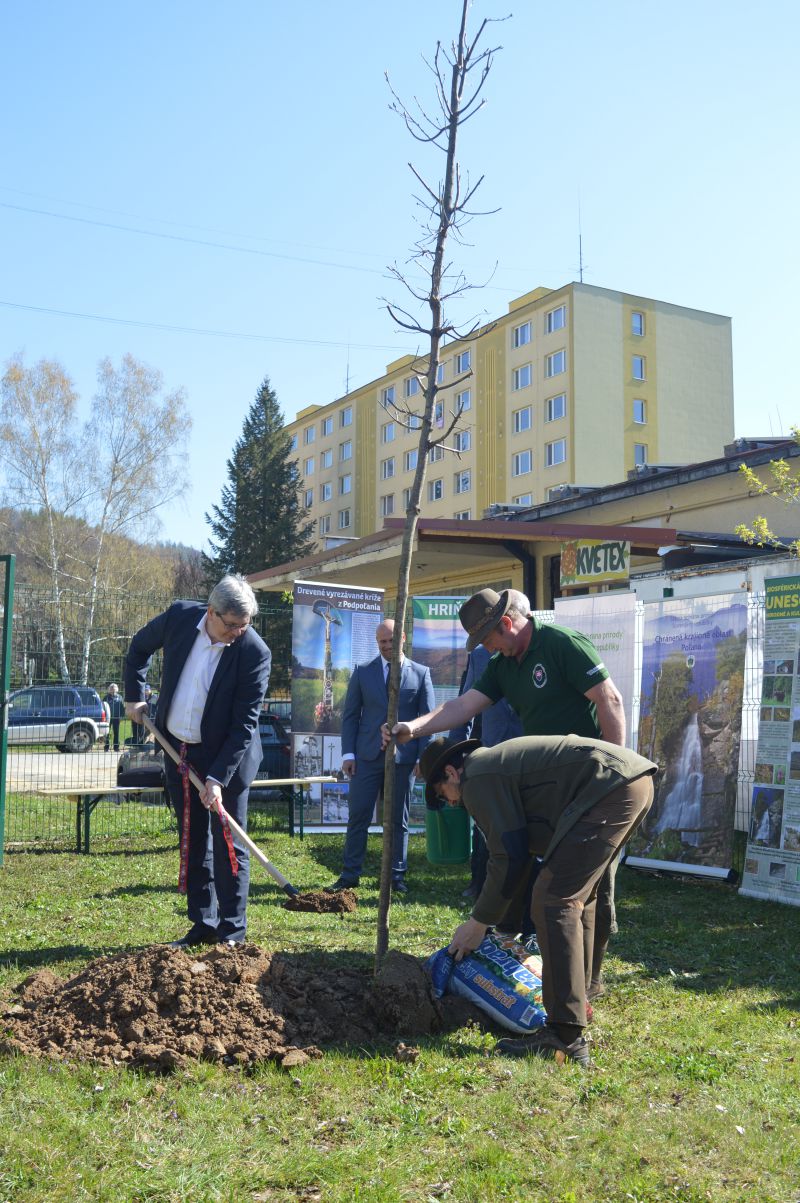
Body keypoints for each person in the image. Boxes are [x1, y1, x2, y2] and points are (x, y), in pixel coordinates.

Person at [389, 587, 626, 997]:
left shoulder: (561, 644)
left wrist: (613, 770)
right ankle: (563, 973)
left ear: (506, 623)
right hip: (549, 787)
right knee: (557, 883)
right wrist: (415, 727)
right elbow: (462, 706)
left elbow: (610, 700)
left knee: (596, 886)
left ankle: (591, 980)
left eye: (487, 639)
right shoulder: (503, 666)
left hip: (591, 781)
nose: (486, 648)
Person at [419, 733, 656, 1066]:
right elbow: (522, 852)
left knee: (554, 902)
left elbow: (508, 855)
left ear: (452, 773)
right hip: (630, 782)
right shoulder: (493, 766)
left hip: (609, 788)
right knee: (578, 898)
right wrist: (503, 926)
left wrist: (478, 924)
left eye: (443, 794)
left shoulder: (478, 777)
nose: (451, 803)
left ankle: (564, 1034)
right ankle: (578, 1001)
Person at [124, 574, 271, 946]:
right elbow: (138, 648)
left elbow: (244, 726)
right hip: (179, 750)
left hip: (228, 759)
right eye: (232, 624)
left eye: (245, 624)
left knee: (228, 842)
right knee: (192, 836)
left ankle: (232, 930)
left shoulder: (254, 652)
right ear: (211, 612)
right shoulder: (178, 618)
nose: (238, 631)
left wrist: (218, 778)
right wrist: (133, 696)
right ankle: (202, 923)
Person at [327, 618, 435, 894]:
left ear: (402, 639)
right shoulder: (363, 672)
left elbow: (427, 720)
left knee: (398, 819)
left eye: (390, 641)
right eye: (381, 642)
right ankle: (350, 875)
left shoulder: (421, 674)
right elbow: (351, 716)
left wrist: (424, 758)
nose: (386, 646)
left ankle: (396, 876)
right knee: (358, 816)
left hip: (404, 760)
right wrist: (348, 754)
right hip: (366, 757)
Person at [449, 641, 522, 900]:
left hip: (528, 751)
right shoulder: (480, 655)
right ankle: (479, 883)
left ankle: (517, 887)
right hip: (491, 749)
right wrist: (454, 751)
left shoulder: (536, 648)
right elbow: (465, 702)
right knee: (485, 821)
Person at [103, 683, 125, 752]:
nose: (113, 689)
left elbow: (122, 708)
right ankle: (106, 747)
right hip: (107, 718)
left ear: (117, 689)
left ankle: (116, 748)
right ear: (109, 689)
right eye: (111, 688)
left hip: (117, 718)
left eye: (114, 687)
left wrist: (121, 716)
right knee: (107, 733)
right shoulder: (106, 697)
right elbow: (103, 708)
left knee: (116, 733)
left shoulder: (120, 697)